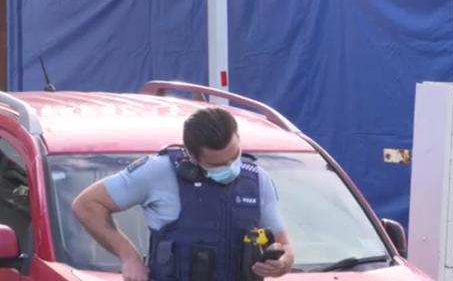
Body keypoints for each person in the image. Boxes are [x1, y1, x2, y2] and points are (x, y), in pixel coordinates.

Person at [72, 107, 294, 281]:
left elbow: (284, 246)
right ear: (192, 156)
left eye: (234, 156)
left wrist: (281, 263)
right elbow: (87, 204)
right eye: (217, 164)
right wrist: (128, 256)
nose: (230, 166)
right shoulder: (158, 172)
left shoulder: (257, 180)